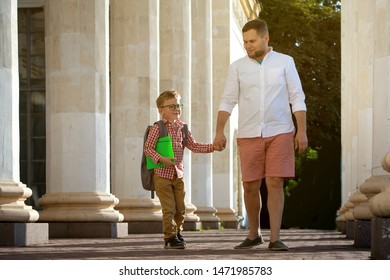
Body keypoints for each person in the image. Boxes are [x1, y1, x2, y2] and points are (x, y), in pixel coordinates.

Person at [213, 19, 308, 251]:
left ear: (266, 38)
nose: (248, 45)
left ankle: (275, 238)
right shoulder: (237, 67)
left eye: (252, 41)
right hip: (248, 132)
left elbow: (297, 96)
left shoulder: (285, 62)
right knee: (249, 186)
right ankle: (254, 234)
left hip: (281, 130)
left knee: (274, 182)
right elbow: (228, 99)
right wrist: (219, 130)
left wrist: (302, 131)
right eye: (245, 41)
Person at [144, 90, 223, 249]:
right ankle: (170, 237)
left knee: (181, 208)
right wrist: (162, 159)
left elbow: (193, 145)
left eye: (178, 105)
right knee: (169, 208)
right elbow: (148, 149)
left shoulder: (183, 127)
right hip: (161, 175)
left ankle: (177, 232)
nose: (176, 108)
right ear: (161, 109)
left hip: (178, 175)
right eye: (171, 106)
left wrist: (212, 147)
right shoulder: (157, 128)